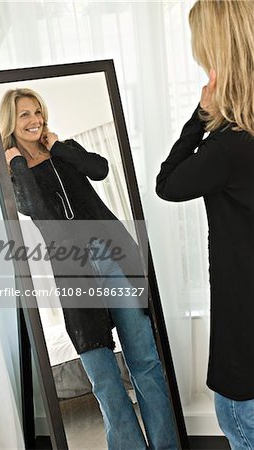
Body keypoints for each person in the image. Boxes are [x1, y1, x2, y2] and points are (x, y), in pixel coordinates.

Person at [0, 87, 178, 449]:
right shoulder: (15, 175)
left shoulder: (63, 152)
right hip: (73, 273)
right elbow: (45, 217)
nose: (34, 120)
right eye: (24, 115)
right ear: (11, 123)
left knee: (144, 361)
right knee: (104, 379)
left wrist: (59, 146)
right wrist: (18, 163)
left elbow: (100, 169)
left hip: (111, 256)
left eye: (37, 112)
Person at [156, 1, 254, 449]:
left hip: (245, 344)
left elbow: (168, 183)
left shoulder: (230, 145)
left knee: (235, 421)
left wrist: (200, 114)